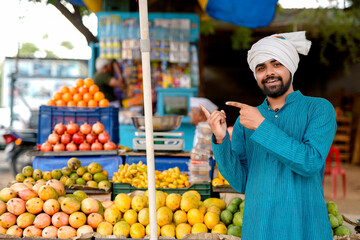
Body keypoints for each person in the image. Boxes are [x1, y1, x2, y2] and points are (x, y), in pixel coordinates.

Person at [200, 31, 337, 240]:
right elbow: (241, 182)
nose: (269, 72)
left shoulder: (318, 109)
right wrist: (220, 140)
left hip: (305, 227)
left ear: (290, 66)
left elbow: (310, 162)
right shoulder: (245, 120)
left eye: (277, 64)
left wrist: (261, 126)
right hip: (259, 228)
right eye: (261, 68)